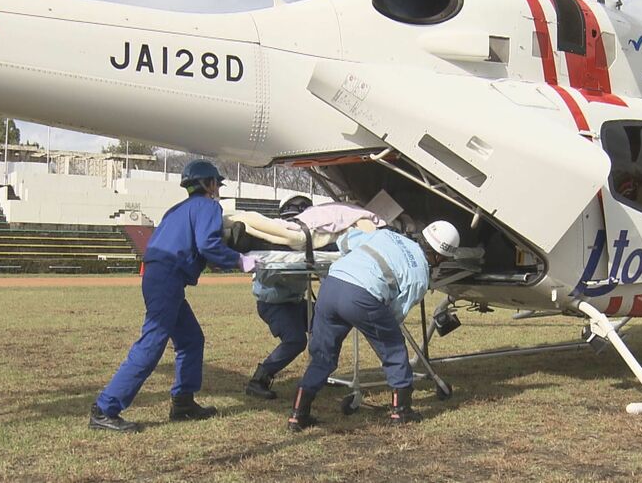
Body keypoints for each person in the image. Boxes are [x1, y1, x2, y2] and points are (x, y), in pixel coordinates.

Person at [89, 160, 252, 433]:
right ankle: (105, 408)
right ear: (208, 184)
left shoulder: (175, 210)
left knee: (190, 339)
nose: (218, 189)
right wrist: (239, 260)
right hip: (168, 278)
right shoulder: (210, 206)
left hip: (158, 275)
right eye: (216, 183)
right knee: (151, 345)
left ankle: (184, 403)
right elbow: (207, 244)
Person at [286, 220, 461, 431]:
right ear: (439, 256)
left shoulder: (388, 235)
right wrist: (376, 321)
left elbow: (345, 241)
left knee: (323, 354)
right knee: (394, 347)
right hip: (362, 296)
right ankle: (401, 410)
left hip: (331, 284)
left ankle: (298, 414)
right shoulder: (420, 275)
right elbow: (396, 314)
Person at [244, 195, 314, 400]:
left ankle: (319, 372)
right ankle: (259, 379)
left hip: (295, 301)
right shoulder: (273, 243)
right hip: (274, 304)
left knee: (329, 323)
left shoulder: (307, 242)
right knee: (295, 340)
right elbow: (266, 273)